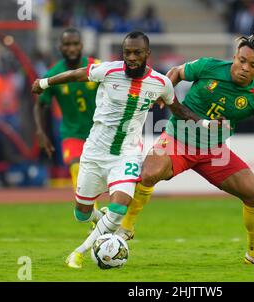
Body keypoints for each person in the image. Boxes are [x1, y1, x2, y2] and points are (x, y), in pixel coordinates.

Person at [117, 31, 254, 264]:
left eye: (252, 65)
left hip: (214, 152)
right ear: (235, 57)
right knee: (149, 174)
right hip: (177, 139)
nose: (245, 67)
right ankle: (126, 227)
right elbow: (175, 72)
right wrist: (163, 93)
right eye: (242, 60)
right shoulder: (208, 66)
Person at [31, 31, 202, 268]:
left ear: (147, 54)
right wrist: (44, 82)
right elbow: (77, 74)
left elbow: (179, 109)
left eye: (137, 52)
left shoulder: (161, 83)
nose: (131, 57)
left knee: (120, 205)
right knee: (81, 213)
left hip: (127, 153)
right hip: (94, 152)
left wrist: (205, 123)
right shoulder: (108, 70)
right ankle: (104, 222)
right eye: (127, 52)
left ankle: (78, 252)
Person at [33, 28, 100, 193]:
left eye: (75, 44)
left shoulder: (97, 67)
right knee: (77, 168)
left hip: (100, 133)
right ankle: (92, 216)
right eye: (67, 44)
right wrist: (40, 131)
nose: (71, 48)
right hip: (72, 133)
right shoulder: (53, 74)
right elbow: (40, 104)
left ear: (82, 45)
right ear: (60, 47)